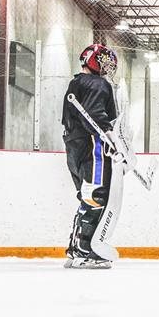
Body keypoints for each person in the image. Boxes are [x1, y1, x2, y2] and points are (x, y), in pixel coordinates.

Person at [62, 43, 125, 269]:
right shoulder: (97, 83)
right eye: (105, 63)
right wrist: (112, 137)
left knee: (87, 196)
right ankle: (87, 251)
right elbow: (96, 115)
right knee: (96, 196)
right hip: (93, 147)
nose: (108, 69)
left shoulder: (78, 82)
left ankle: (76, 249)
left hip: (75, 147)